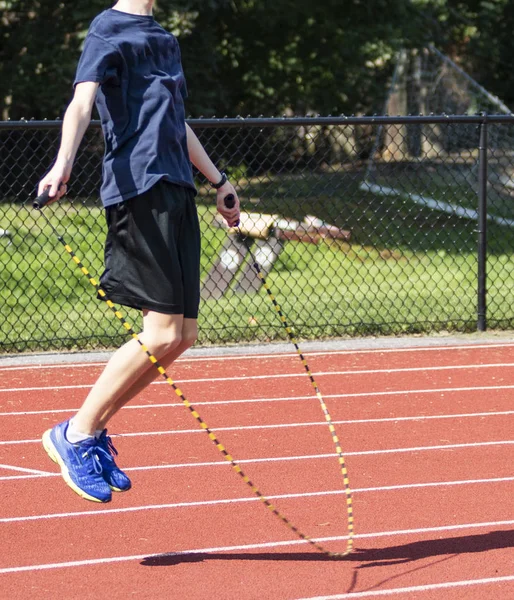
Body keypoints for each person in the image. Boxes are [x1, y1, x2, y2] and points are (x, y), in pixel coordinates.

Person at [37, 0, 240, 503]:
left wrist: (218, 179)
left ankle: (90, 432)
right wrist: (62, 164)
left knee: (182, 335)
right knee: (162, 331)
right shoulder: (107, 29)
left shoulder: (165, 39)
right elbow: (82, 102)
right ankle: (77, 434)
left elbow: (176, 120)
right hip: (138, 189)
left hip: (176, 189)